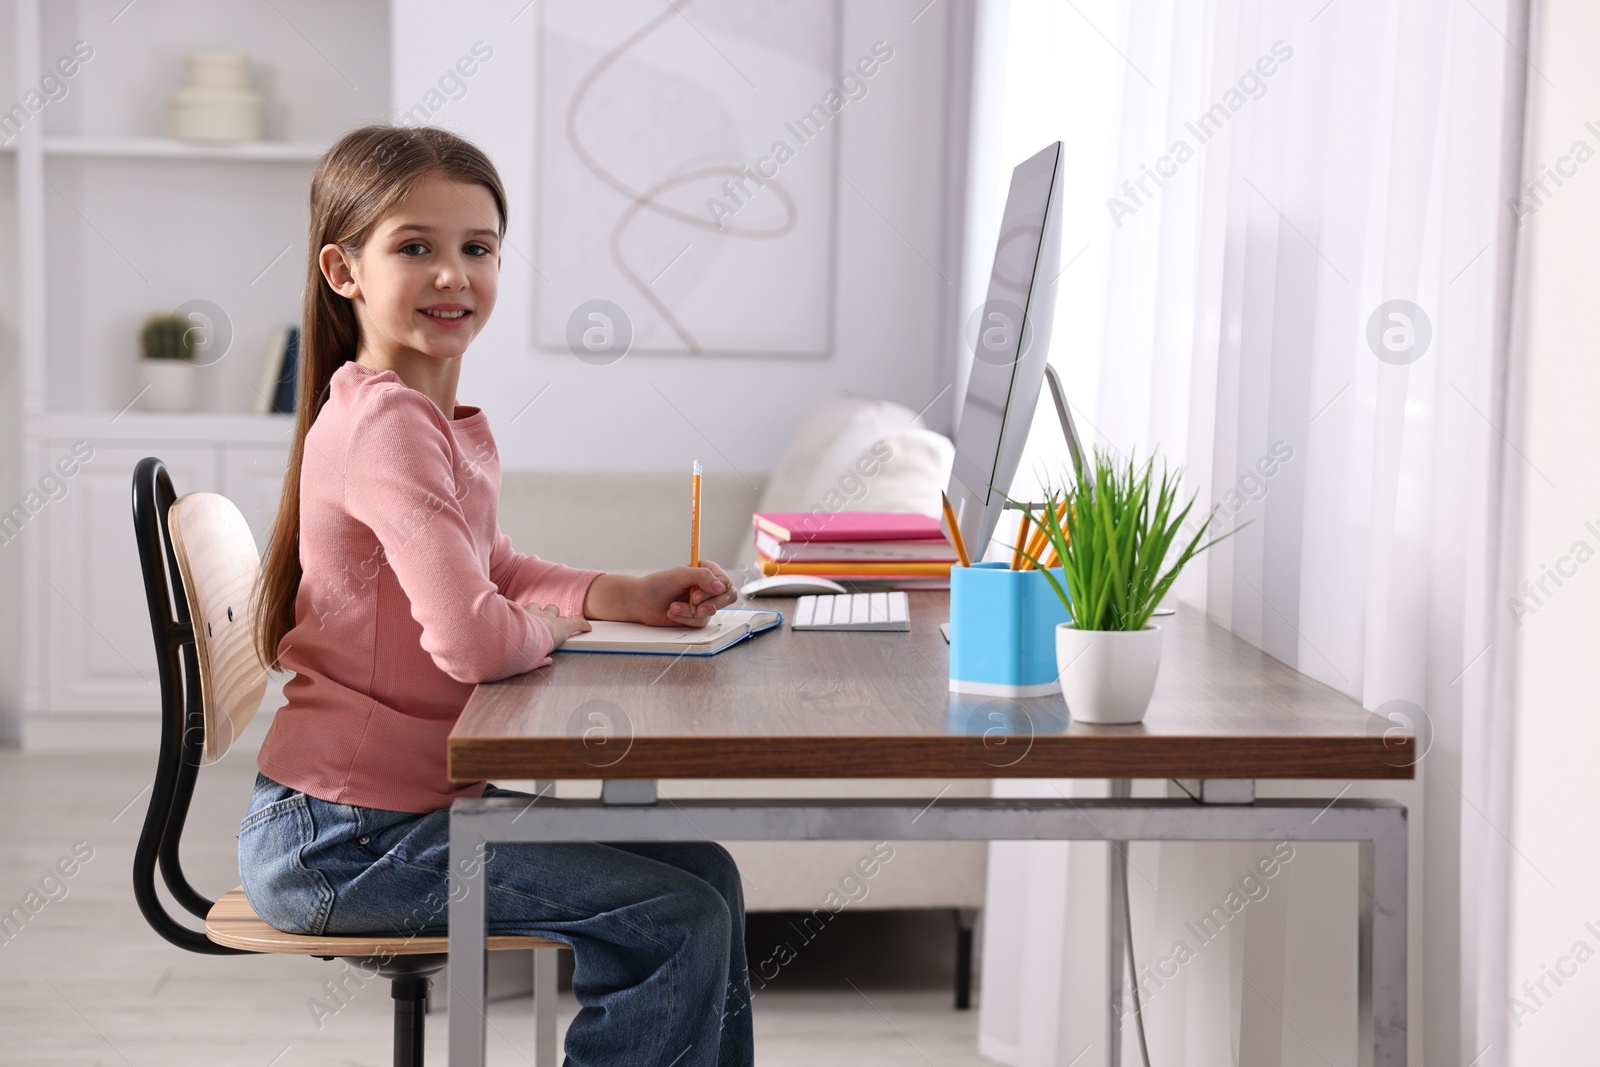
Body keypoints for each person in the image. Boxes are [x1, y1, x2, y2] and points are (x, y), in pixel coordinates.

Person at [240, 124, 752, 1067]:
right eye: (415, 247)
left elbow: (497, 570)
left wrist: (621, 592)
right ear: (343, 270)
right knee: (676, 915)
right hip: (343, 841)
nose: (451, 274)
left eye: (476, 248)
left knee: (704, 874)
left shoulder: (433, 419)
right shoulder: (387, 424)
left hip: (394, 816)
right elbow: (477, 639)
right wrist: (555, 627)